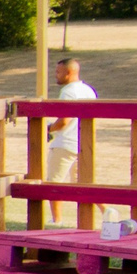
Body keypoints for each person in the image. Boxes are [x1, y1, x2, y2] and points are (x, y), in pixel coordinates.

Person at [44, 54, 97, 224]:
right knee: (85, 183)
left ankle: (56, 220)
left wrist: (49, 129)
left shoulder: (68, 92)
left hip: (65, 143)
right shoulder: (88, 91)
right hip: (84, 143)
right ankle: (107, 214)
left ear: (68, 73)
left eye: (58, 72)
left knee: (54, 184)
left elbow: (64, 121)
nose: (55, 75)